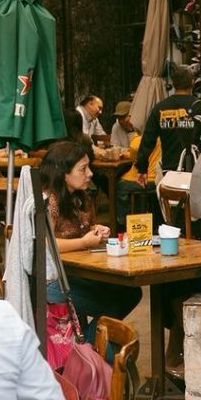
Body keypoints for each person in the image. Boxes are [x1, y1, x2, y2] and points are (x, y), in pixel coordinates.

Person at [41, 141, 142, 342]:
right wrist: (85, 242)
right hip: (53, 281)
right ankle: (90, 347)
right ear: (63, 173)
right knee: (113, 306)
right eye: (83, 169)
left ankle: (87, 346)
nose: (90, 174)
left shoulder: (82, 197)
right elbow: (46, 244)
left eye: (89, 167)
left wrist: (96, 230)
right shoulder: (48, 201)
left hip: (80, 273)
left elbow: (84, 231)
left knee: (131, 292)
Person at [135, 65, 200, 184]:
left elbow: (147, 141)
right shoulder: (199, 106)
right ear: (192, 82)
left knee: (170, 201)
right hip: (197, 171)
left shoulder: (160, 108)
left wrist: (142, 168)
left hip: (169, 171)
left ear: (174, 83)